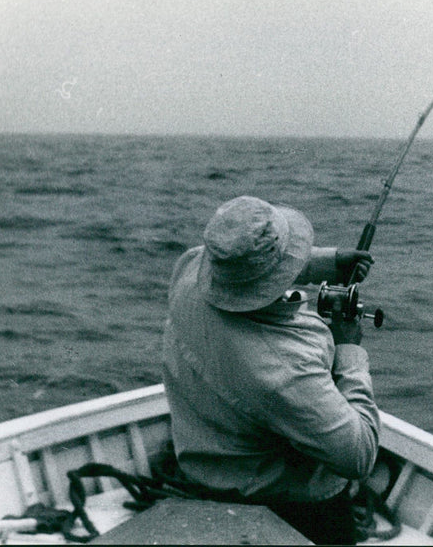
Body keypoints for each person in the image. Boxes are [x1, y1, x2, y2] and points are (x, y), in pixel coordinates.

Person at [162, 195, 380, 545]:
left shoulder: (189, 271)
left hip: (199, 473)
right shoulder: (282, 368)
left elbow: (239, 270)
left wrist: (327, 263)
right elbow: (360, 456)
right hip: (284, 505)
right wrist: (348, 349)